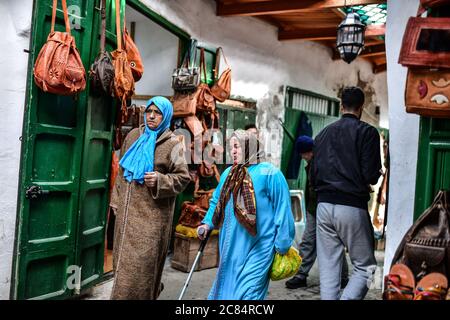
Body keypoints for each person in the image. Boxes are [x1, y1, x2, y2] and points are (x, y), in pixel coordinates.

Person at [197, 129, 295, 300]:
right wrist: (207, 223)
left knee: (248, 295)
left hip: (259, 249)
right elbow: (216, 201)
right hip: (230, 247)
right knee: (226, 294)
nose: (232, 151)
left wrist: (282, 245)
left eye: (237, 147)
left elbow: (283, 210)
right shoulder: (229, 173)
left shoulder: (270, 173)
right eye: (231, 147)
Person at [109, 96, 190, 299]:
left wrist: (160, 180)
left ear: (166, 116)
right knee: (122, 270)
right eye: (149, 112)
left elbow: (182, 178)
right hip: (127, 219)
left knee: (143, 272)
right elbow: (121, 171)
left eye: (157, 113)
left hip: (151, 222)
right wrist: (116, 200)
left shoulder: (173, 144)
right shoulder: (134, 135)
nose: (151, 116)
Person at [311, 86, 381, 300]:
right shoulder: (368, 132)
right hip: (351, 206)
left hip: (323, 206)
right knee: (366, 268)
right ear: (361, 108)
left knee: (329, 269)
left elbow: (313, 174)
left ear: (341, 106)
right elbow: (371, 175)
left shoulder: (322, 134)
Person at [285, 136, 349, 289]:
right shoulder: (313, 163)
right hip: (314, 209)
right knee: (308, 242)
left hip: (325, 208)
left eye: (303, 154)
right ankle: (301, 275)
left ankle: (343, 277)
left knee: (334, 242)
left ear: (309, 152)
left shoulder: (323, 163)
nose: (302, 158)